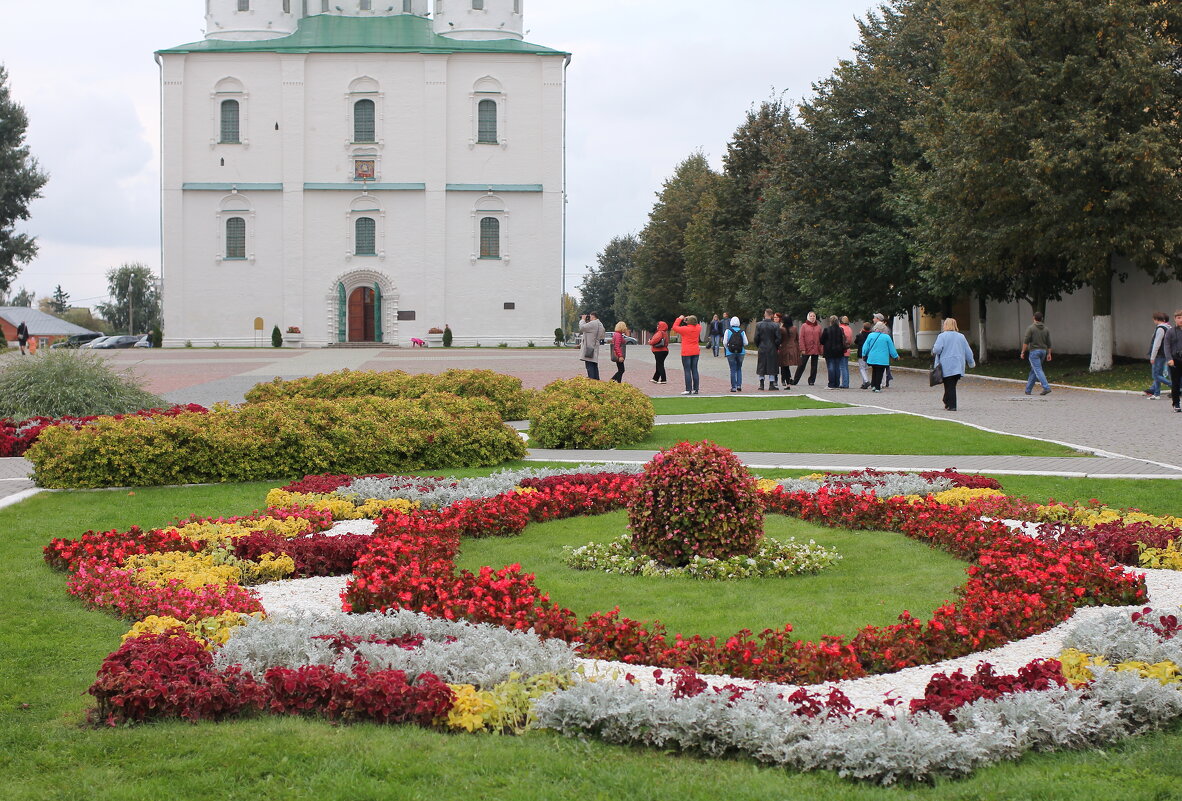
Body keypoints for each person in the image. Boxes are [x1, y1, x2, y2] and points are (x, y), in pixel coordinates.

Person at [931, 318, 976, 411]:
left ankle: (952, 405)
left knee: (949, 385)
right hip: (958, 365)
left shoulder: (942, 336)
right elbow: (968, 351)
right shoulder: (961, 337)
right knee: (951, 384)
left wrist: (934, 350)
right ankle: (947, 401)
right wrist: (971, 362)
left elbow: (937, 349)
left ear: (945, 325)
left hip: (946, 365)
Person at [1021, 311, 1053, 396]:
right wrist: (1049, 354)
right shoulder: (1046, 329)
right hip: (1043, 352)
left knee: (1038, 370)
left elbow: (1026, 341)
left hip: (1034, 352)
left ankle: (1046, 387)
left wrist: (1023, 352)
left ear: (1033, 318)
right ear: (1041, 319)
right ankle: (1028, 390)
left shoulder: (1031, 328)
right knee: (1034, 370)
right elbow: (1049, 343)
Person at [861, 321, 899, 392]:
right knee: (880, 372)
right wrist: (895, 356)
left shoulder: (871, 335)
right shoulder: (886, 337)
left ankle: (873, 385)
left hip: (872, 357)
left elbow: (866, 346)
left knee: (874, 370)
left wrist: (864, 354)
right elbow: (891, 348)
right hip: (882, 359)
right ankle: (877, 387)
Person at [672, 314, 702, 395]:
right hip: (695, 351)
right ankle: (696, 389)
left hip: (686, 352)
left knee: (687, 370)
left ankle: (688, 389)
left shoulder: (685, 329)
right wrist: (689, 319)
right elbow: (696, 323)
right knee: (694, 370)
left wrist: (680, 319)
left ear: (688, 322)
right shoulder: (698, 328)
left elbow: (674, 327)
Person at [1145, 311, 1172, 399]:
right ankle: (1156, 394)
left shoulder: (1160, 329)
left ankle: (1174, 385)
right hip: (1165, 354)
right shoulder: (1168, 327)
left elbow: (1156, 344)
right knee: (1158, 374)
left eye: (1154, 319)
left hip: (1159, 355)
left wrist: (1152, 357)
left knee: (1155, 375)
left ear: (1156, 319)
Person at [754, 308, 782, 390]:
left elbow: (756, 337)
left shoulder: (759, 325)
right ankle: (771, 384)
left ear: (764, 314)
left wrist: (759, 345)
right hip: (772, 347)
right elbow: (778, 338)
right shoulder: (775, 325)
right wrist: (776, 346)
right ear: (772, 315)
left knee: (761, 365)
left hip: (762, 347)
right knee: (772, 366)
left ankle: (761, 384)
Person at [794, 311, 822, 386]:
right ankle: (795, 380)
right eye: (811, 316)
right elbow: (801, 338)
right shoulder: (804, 326)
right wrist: (802, 348)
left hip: (815, 349)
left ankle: (812, 380)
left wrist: (821, 349)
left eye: (814, 316)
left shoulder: (818, 327)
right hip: (806, 349)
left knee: (814, 366)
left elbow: (821, 338)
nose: (812, 318)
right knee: (801, 365)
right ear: (808, 317)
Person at [819, 315, 846, 389]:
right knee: (837, 367)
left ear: (830, 321)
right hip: (839, 351)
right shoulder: (840, 329)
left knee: (831, 367)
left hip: (829, 351)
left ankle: (831, 384)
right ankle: (837, 383)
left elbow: (821, 341)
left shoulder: (827, 330)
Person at [723, 316, 748, 392]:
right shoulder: (742, 331)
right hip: (741, 352)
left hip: (730, 352)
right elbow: (746, 343)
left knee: (732, 369)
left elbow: (724, 342)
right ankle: (739, 385)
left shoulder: (728, 331)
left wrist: (727, 347)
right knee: (739, 369)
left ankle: (733, 387)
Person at [578, 312, 605, 380]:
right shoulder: (600, 324)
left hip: (589, 348)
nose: (589, 318)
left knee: (590, 367)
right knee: (594, 366)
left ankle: (592, 382)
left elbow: (582, 328)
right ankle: (597, 381)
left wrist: (582, 320)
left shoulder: (593, 323)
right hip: (594, 347)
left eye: (589, 317)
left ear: (593, 316)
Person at [774, 313, 797, 392]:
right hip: (792, 349)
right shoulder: (794, 328)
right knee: (787, 366)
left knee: (784, 367)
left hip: (784, 349)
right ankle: (789, 380)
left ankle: (787, 383)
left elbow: (779, 340)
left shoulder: (782, 329)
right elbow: (797, 338)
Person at [1166, 309, 1182, 413]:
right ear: (1175, 319)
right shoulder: (1170, 332)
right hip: (1175, 360)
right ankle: (1176, 403)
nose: (1181, 320)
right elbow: (1166, 346)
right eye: (1179, 318)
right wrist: (1169, 359)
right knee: (1175, 383)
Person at [854, 322, 873, 389]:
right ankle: (864, 383)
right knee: (866, 368)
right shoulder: (871, 335)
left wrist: (860, 333)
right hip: (869, 353)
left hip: (861, 353)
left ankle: (866, 381)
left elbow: (855, 342)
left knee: (862, 368)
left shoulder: (860, 335)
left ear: (863, 328)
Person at [838, 316, 854, 389]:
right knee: (845, 367)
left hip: (841, 349)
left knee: (842, 367)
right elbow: (850, 340)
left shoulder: (840, 328)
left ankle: (844, 383)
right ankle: (846, 382)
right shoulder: (849, 329)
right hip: (847, 349)